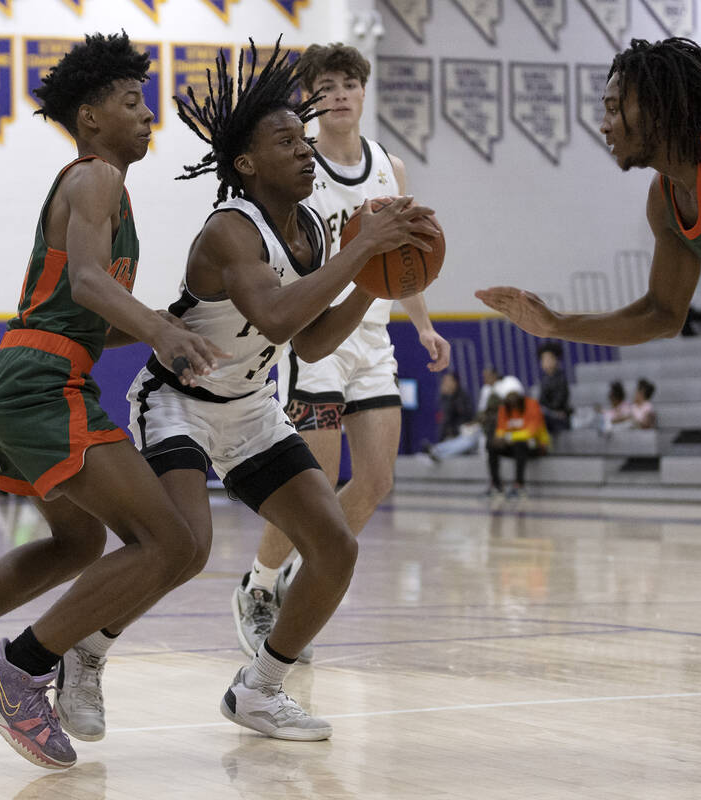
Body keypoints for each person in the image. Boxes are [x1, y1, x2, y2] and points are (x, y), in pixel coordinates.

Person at [0, 32, 225, 770]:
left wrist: (179, 325)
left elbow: (93, 316)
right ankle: (21, 670)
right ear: (90, 114)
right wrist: (163, 330)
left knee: (78, 543)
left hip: (21, 375)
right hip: (42, 384)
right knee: (168, 543)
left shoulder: (100, 186)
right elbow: (91, 288)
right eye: (132, 101)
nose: (148, 115)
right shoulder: (96, 176)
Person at [114, 39, 433, 740]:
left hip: (251, 407)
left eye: (304, 136)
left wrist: (369, 275)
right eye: (287, 139)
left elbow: (313, 337)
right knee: (181, 546)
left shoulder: (315, 227)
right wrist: (362, 250)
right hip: (183, 403)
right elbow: (280, 317)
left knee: (335, 546)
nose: (305, 148)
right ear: (248, 162)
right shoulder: (231, 230)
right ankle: (82, 650)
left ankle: (260, 689)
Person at [477, 36, 701, 568]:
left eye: (613, 107)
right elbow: (662, 314)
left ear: (656, 106)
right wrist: (557, 323)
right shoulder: (667, 203)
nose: (603, 124)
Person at [224, 43, 450, 660]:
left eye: (351, 83)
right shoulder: (298, 167)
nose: (342, 94)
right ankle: (261, 584)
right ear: (313, 98)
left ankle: (305, 567)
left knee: (376, 479)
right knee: (315, 479)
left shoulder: (389, 167)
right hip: (316, 338)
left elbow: (405, 261)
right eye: (329, 85)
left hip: (374, 338)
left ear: (363, 92)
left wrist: (423, 325)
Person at [487, 387, 550, 500]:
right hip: (514, 445)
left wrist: (509, 436)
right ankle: (496, 486)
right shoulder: (504, 408)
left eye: (514, 402)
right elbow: (500, 430)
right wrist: (500, 438)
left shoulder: (532, 404)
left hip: (537, 446)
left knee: (520, 444)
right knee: (492, 445)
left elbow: (531, 432)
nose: (512, 405)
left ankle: (519, 486)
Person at [536, 341, 571, 435]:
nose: (545, 362)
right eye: (543, 359)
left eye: (548, 359)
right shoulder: (544, 380)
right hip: (547, 416)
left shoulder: (561, 379)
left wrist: (544, 409)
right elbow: (541, 401)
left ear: (556, 360)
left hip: (559, 419)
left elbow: (558, 403)